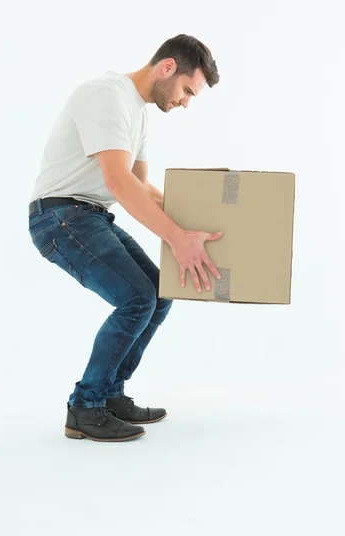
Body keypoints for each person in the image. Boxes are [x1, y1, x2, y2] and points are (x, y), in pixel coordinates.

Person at [28, 34, 222, 443]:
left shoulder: (139, 114)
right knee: (137, 299)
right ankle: (85, 406)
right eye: (188, 91)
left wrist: (197, 227)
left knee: (158, 293)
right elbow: (117, 182)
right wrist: (175, 239)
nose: (187, 102)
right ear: (167, 67)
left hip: (88, 216)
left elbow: (141, 186)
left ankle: (110, 396)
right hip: (60, 217)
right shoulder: (106, 95)